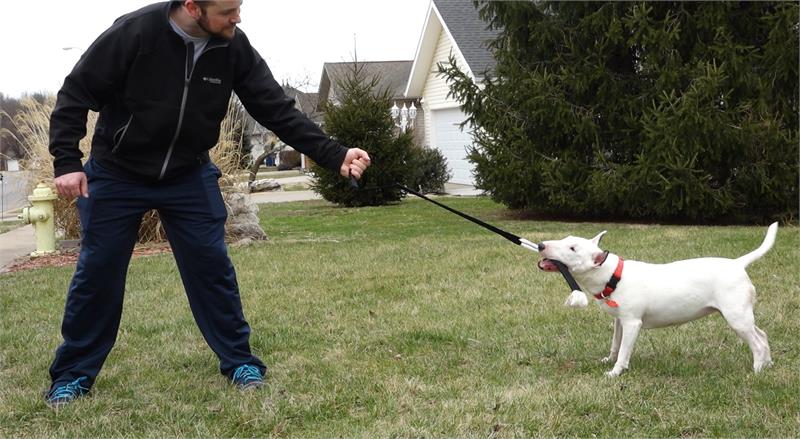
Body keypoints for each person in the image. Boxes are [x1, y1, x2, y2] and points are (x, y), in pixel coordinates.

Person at [45, 0, 370, 408]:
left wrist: (334, 154)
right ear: (192, 7)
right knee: (99, 272)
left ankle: (239, 362)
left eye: (239, 7)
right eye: (228, 10)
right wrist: (67, 161)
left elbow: (276, 109)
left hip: (187, 172)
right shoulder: (135, 34)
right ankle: (73, 375)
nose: (238, 17)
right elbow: (76, 92)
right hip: (117, 171)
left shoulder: (233, 47)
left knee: (211, 268)